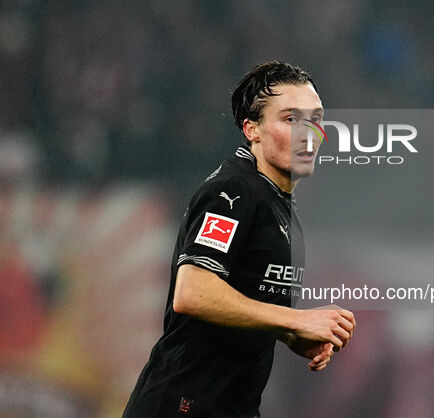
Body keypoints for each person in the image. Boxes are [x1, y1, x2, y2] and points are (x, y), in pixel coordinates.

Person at [123, 61, 356, 418]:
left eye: (317, 118)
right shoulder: (232, 191)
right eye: (291, 119)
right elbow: (193, 291)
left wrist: (294, 337)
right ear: (252, 129)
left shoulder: (277, 203)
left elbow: (246, 305)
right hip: (184, 404)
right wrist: (295, 320)